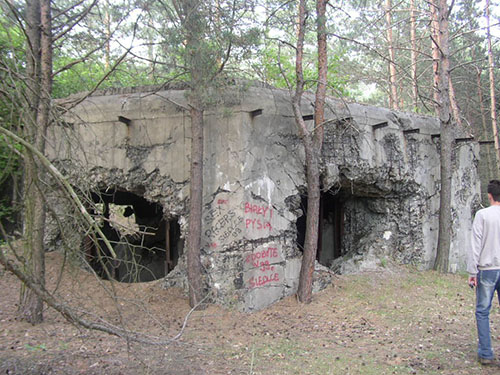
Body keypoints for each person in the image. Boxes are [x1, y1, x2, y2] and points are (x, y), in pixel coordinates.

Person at [467, 179, 500, 365]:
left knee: (482, 311)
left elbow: (475, 245)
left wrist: (472, 271)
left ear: (489, 196)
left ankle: (486, 353)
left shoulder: (483, 215)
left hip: (487, 269)